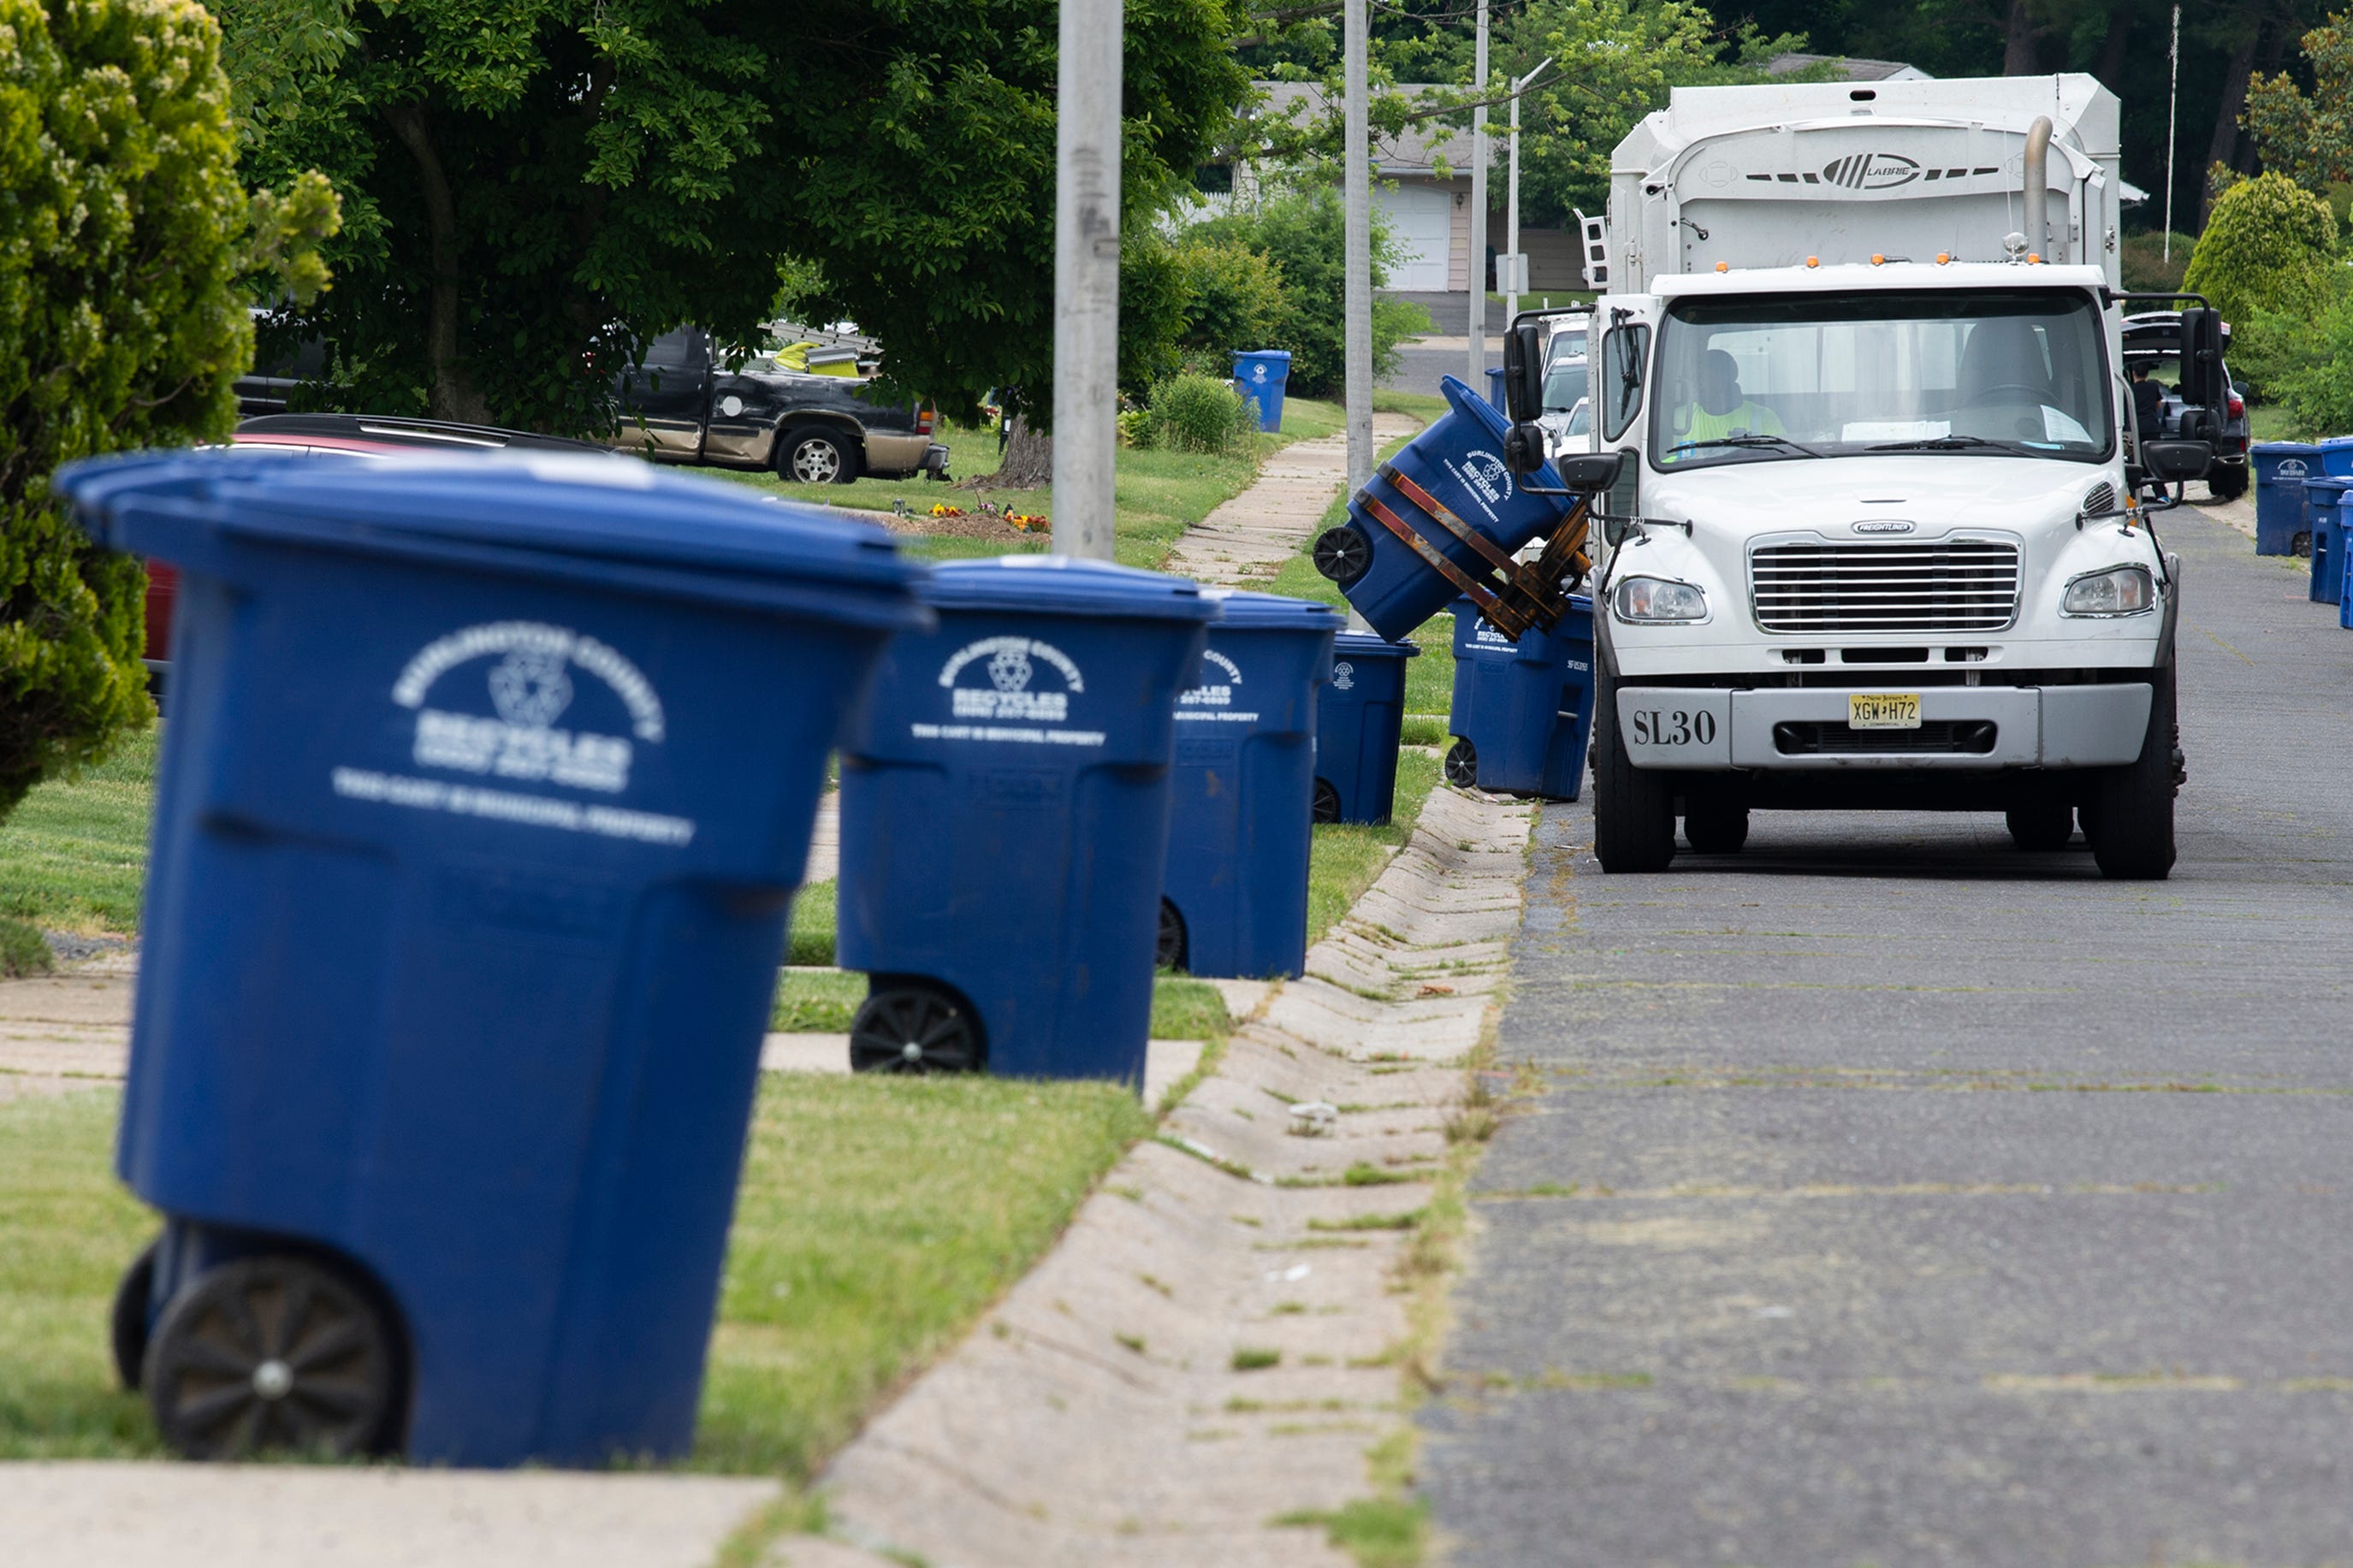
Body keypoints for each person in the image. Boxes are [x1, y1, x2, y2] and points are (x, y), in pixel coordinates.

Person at [1670, 348, 1784, 454]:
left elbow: (1779, 462)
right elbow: (1667, 460)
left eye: (1708, 376)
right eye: (1697, 377)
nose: (1699, 383)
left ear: (1728, 378)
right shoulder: (1680, 419)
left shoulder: (1763, 418)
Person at [2130, 360, 2167, 440]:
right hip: (2151, 427)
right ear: (2147, 374)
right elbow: (2159, 405)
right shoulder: (2153, 387)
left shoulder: (2129, 389)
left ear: (2133, 373)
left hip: (2134, 427)